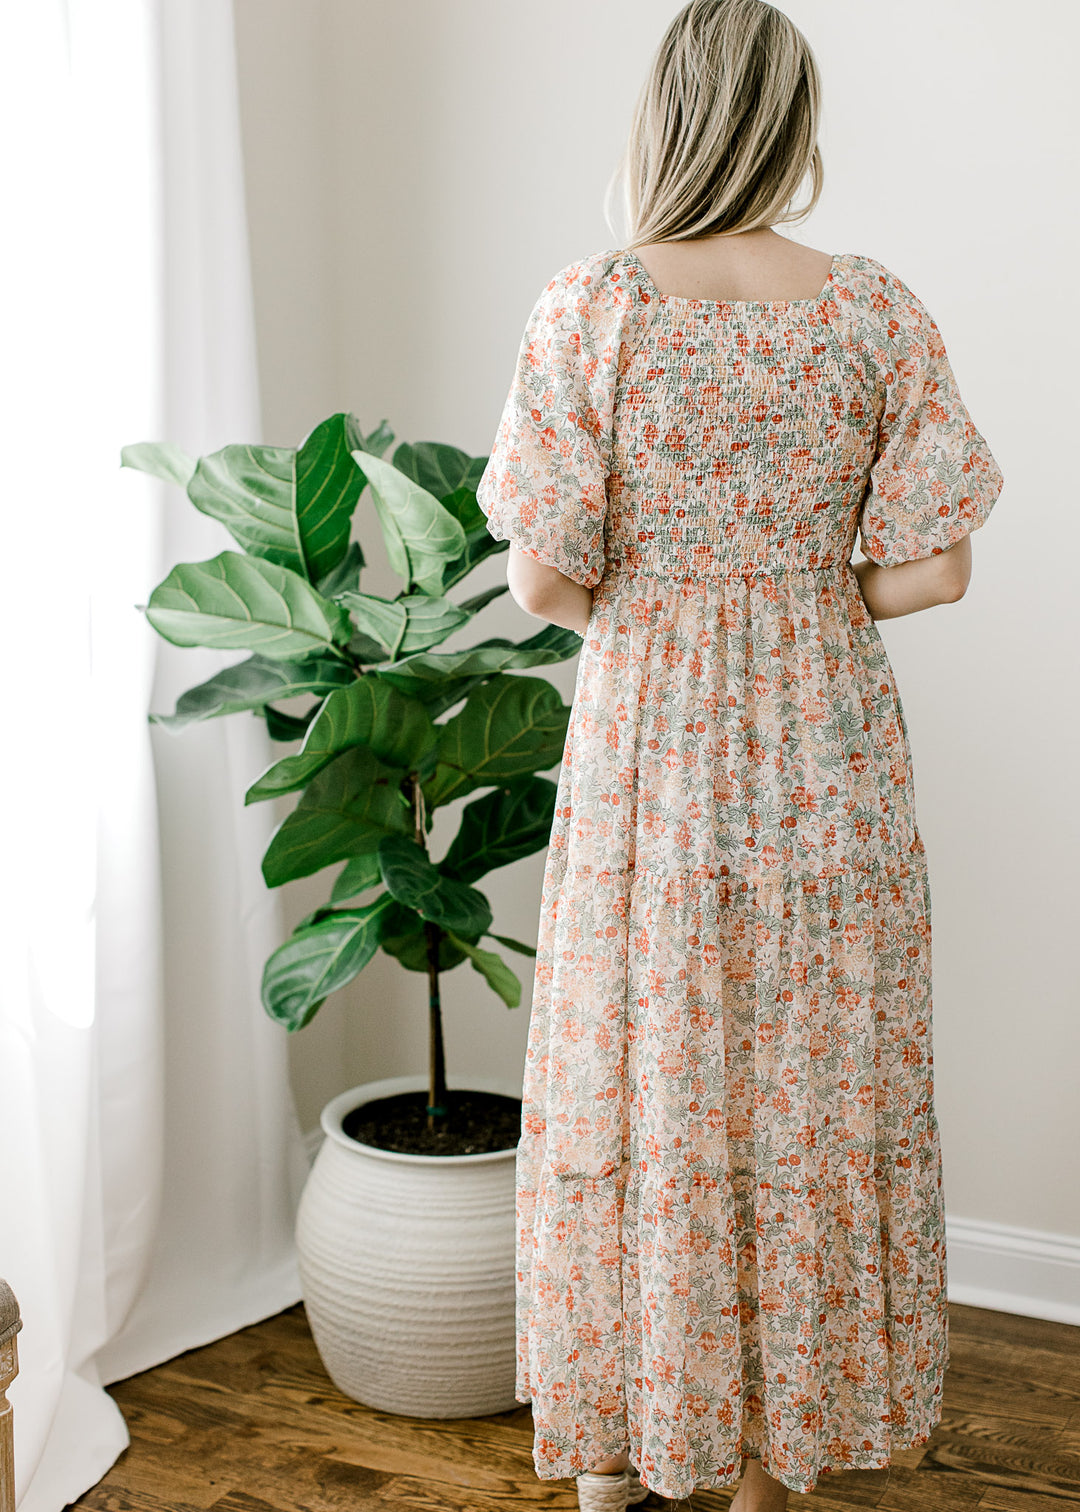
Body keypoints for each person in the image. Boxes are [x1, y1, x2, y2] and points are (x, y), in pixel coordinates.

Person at [474, 2, 1005, 1508]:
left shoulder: (592, 307)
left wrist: (674, 601)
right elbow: (937, 568)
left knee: (637, 1075)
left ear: (664, 117)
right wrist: (798, 597)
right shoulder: (872, 311)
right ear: (794, 123)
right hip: (827, 744)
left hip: (647, 743)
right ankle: (779, 1468)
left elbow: (543, 580)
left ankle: (617, 1452)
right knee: (810, 1083)